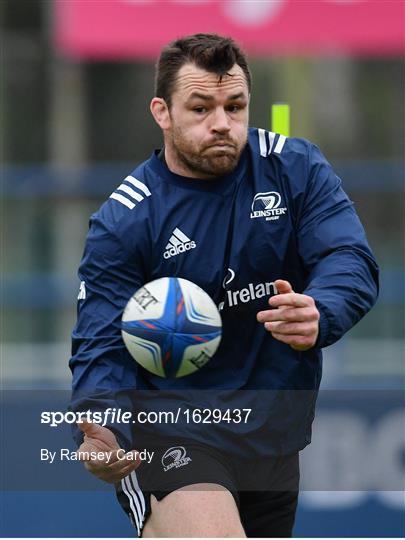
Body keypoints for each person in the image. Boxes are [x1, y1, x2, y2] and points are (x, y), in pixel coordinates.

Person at [70, 33, 378, 537]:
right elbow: (103, 341)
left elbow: (348, 257)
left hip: (273, 437)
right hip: (171, 432)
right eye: (201, 108)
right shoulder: (126, 220)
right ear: (162, 112)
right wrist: (104, 425)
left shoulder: (295, 169)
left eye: (235, 106)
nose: (222, 123)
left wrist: (322, 308)